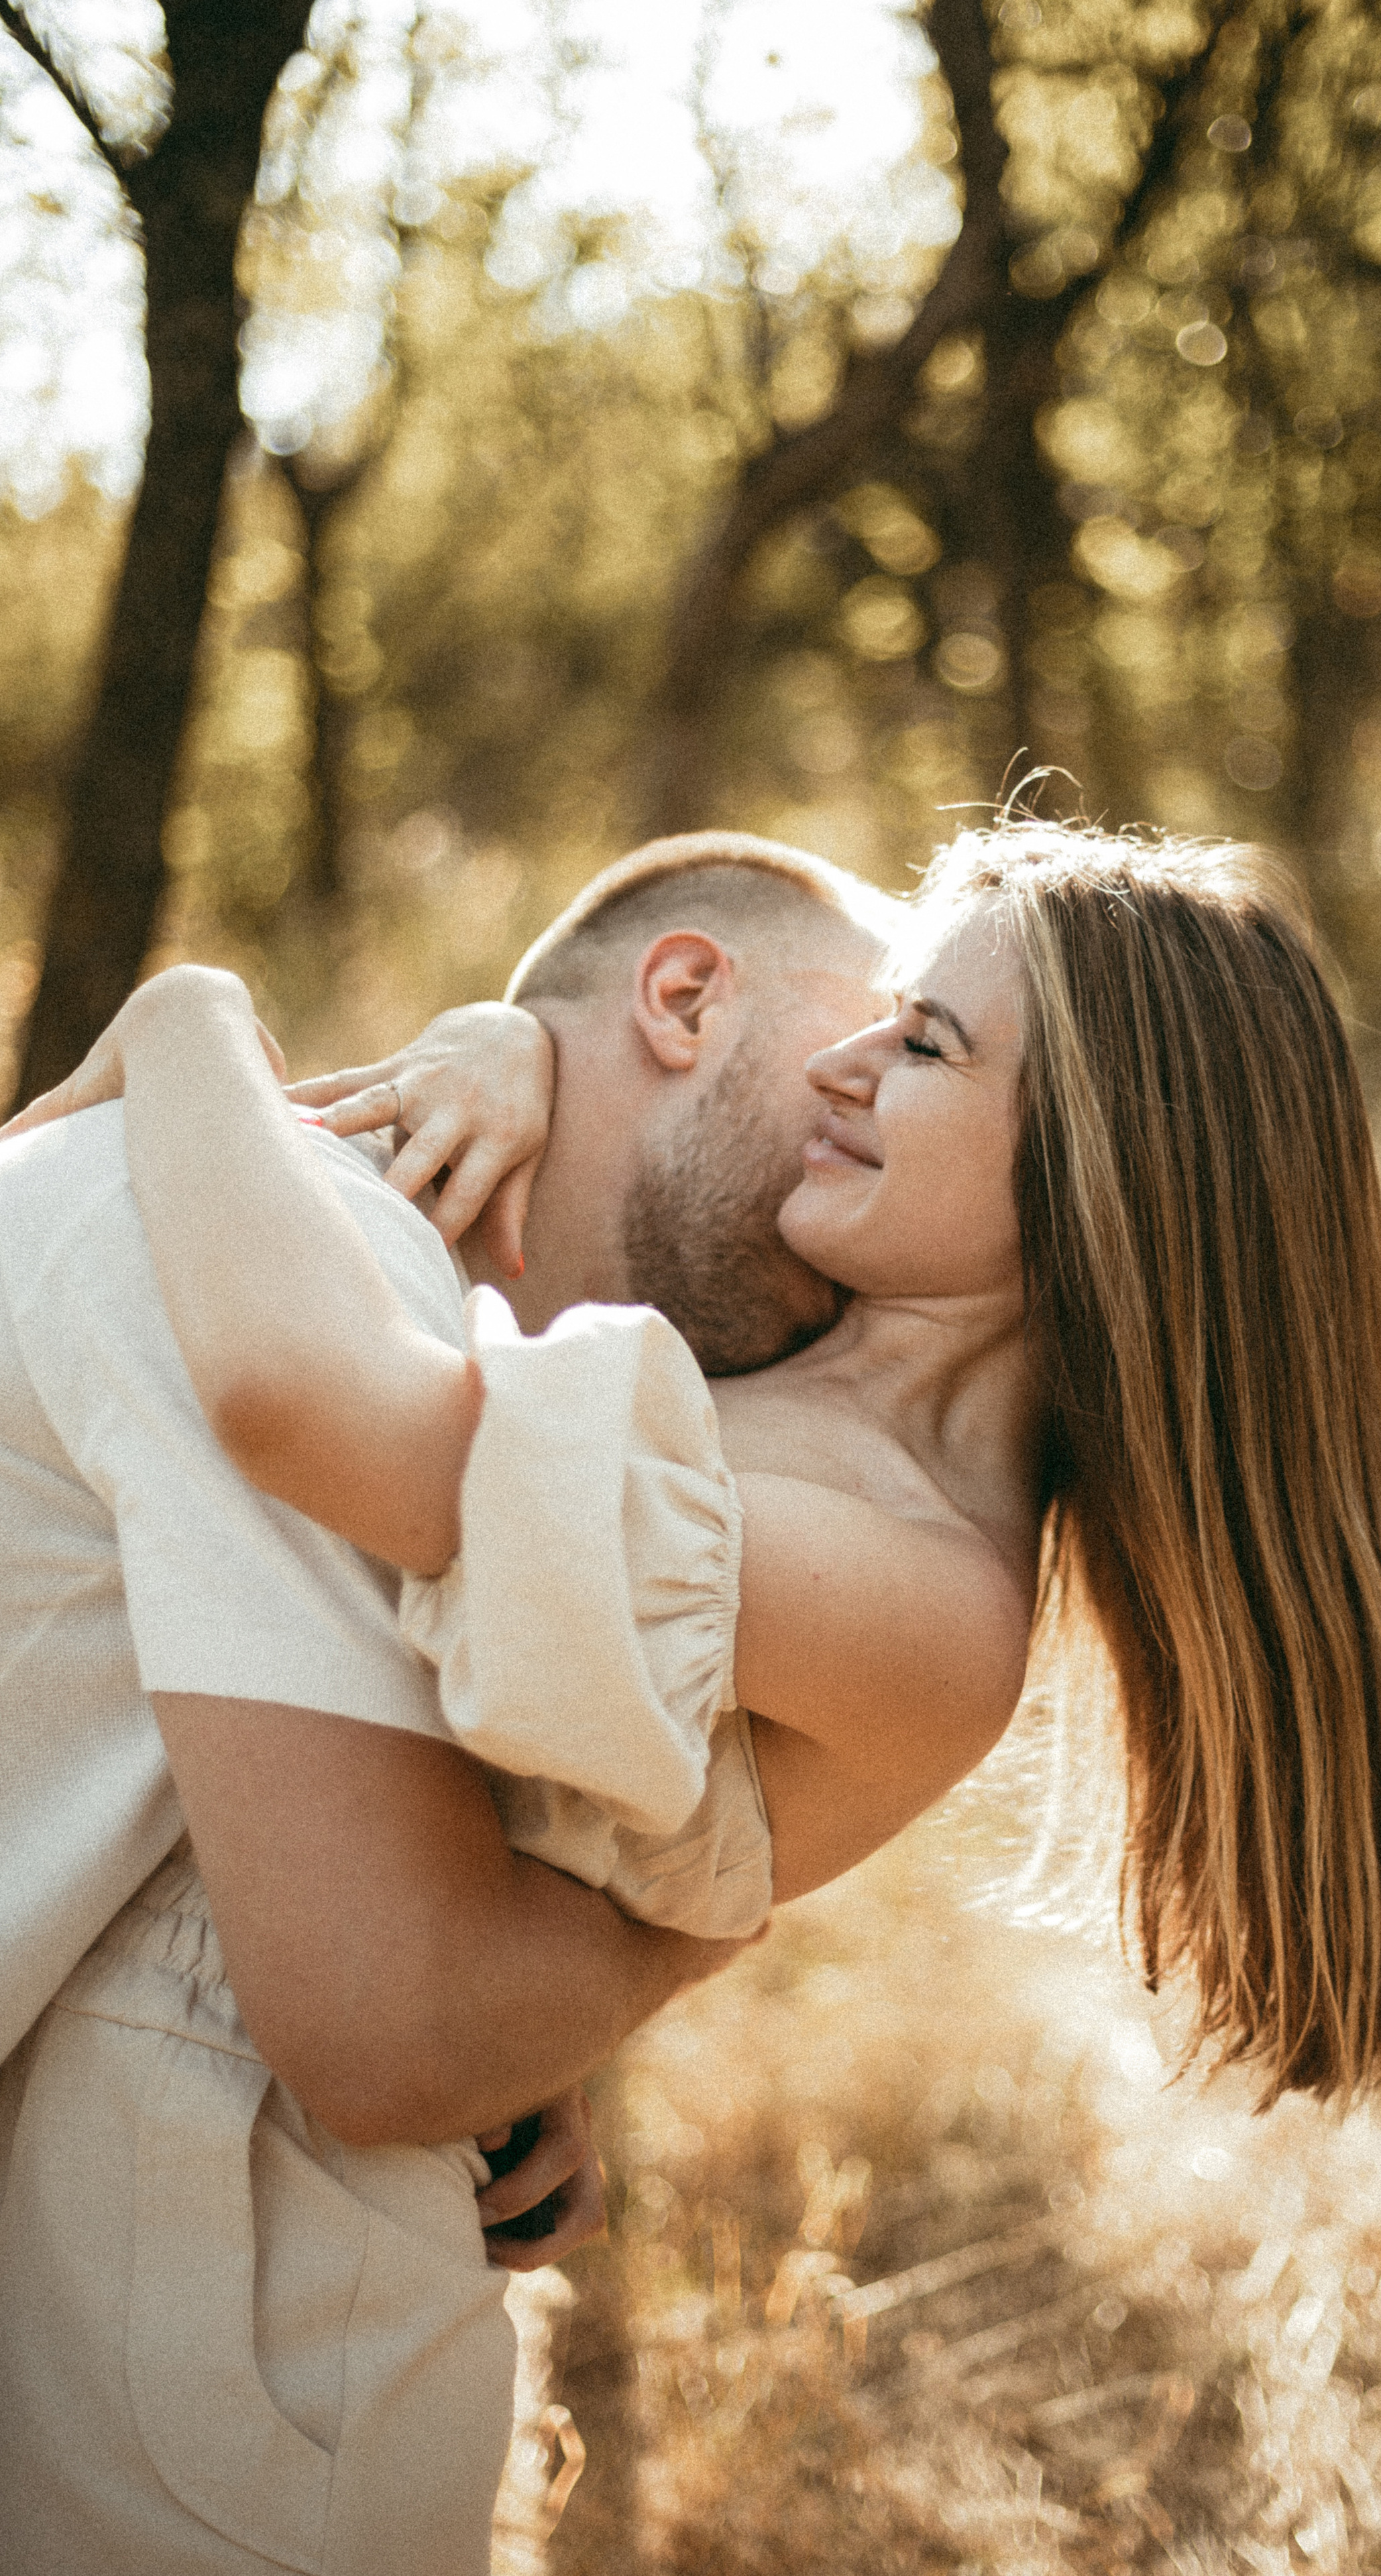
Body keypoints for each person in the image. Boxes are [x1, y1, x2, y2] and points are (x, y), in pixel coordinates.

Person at [0, 833, 903, 2576]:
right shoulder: (309, 1267)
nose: (886, 1104)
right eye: (880, 1037)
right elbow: (392, 2028)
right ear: (686, 996)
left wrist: (511, 2011)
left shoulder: (292, 1243)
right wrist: (654, 1941)